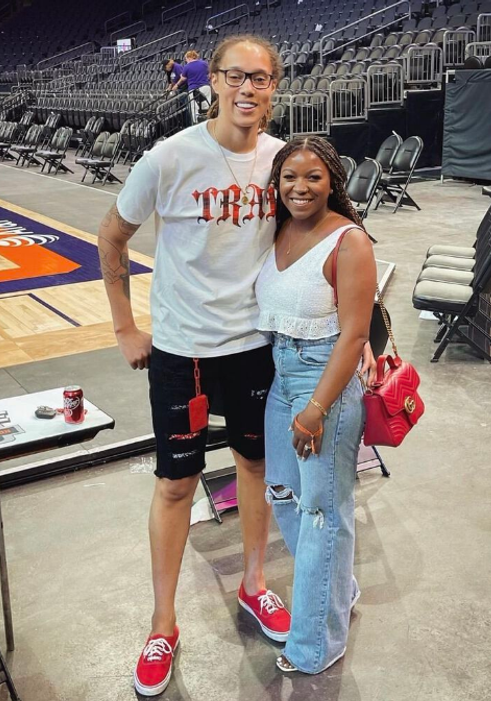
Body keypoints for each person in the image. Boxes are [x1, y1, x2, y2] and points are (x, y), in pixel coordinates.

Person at [98, 34, 290, 697]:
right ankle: (161, 623)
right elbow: (112, 233)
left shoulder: (280, 161)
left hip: (255, 347)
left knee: (256, 468)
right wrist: (124, 324)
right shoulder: (168, 158)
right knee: (176, 485)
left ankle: (255, 584)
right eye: (235, 75)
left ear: (273, 88)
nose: (247, 88)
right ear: (211, 80)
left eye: (260, 78)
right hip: (182, 353)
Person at [257, 136, 374, 675]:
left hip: (322, 382)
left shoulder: (349, 242)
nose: (300, 188)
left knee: (322, 513)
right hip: (282, 377)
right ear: (276, 184)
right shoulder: (277, 230)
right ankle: (338, 587)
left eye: (313, 178)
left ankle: (315, 645)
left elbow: (354, 335)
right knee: (283, 494)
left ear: (333, 182)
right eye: (289, 178)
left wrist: (317, 408)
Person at [181, 50, 214, 124]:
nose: (186, 60)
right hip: (205, 87)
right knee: (206, 105)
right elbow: (210, 73)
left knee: (194, 107)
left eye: (186, 59)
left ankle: (196, 123)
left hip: (193, 89)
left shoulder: (187, 66)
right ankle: (207, 122)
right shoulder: (204, 63)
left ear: (189, 57)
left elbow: (183, 78)